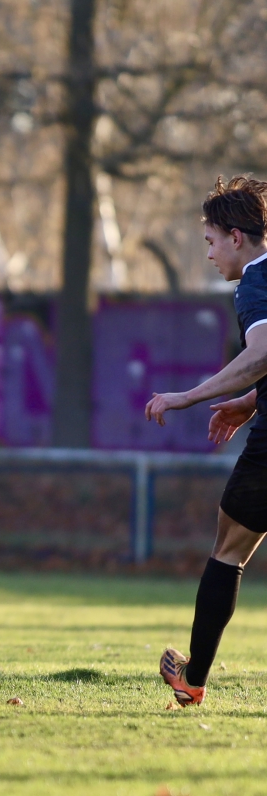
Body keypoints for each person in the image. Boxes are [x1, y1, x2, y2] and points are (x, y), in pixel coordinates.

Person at [146, 175, 267, 707]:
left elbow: (262, 354)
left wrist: (188, 396)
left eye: (212, 242)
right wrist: (252, 402)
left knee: (229, 549)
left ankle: (192, 680)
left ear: (236, 238)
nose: (211, 255)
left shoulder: (255, 282)